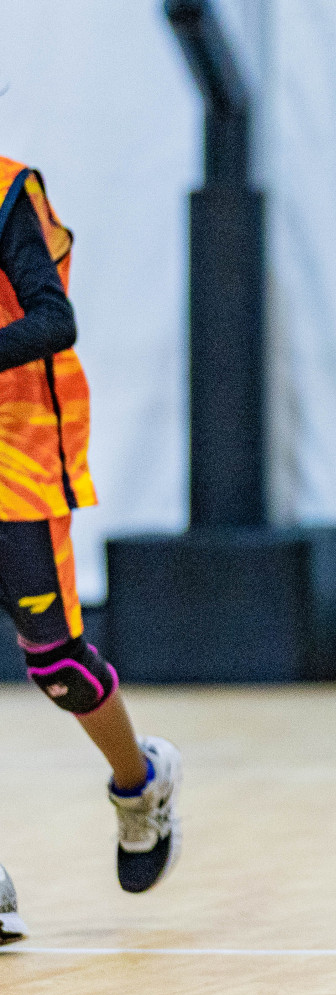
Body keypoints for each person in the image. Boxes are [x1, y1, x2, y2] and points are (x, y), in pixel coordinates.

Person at [0, 158, 183, 946]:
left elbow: (53, 319)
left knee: (58, 666)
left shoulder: (8, 188)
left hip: (17, 455)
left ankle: (139, 785)